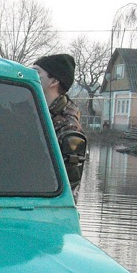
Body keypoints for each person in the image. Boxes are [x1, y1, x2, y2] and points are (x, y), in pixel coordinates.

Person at [32, 53, 86, 196]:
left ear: (54, 81)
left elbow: (70, 184)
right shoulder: (33, 109)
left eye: (37, 73)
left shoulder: (69, 126)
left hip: (43, 205)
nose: (30, 76)